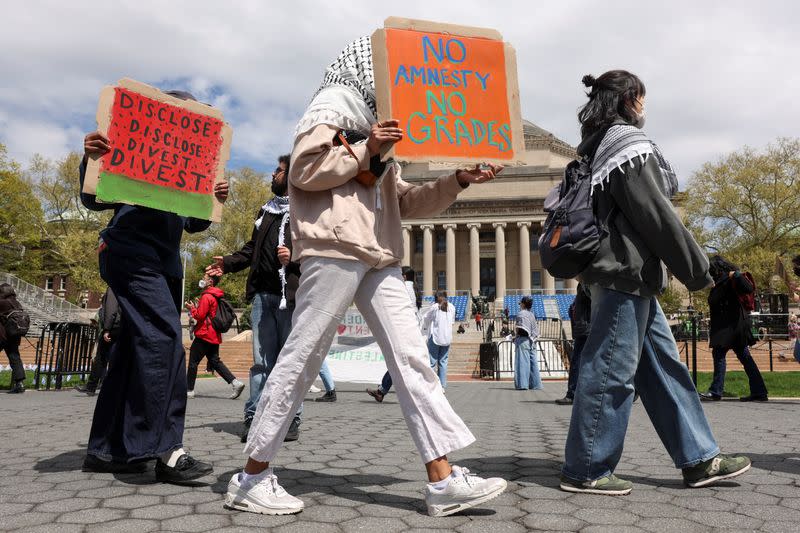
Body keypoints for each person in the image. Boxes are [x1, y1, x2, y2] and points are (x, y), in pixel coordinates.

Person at [224, 36, 506, 518]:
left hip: (380, 254)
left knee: (411, 358)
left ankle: (442, 480)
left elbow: (406, 202)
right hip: (335, 246)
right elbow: (306, 170)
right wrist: (365, 149)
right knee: (303, 356)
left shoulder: (380, 130)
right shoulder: (331, 106)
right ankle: (251, 476)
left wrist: (457, 180)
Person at [561, 71, 750, 495]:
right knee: (610, 371)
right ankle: (587, 467)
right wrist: (699, 269)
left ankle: (700, 458)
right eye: (641, 99)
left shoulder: (595, 146)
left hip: (628, 276)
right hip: (623, 274)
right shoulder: (627, 145)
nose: (644, 108)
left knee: (665, 369)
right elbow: (656, 216)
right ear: (629, 100)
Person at [78, 89, 227, 483]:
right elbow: (93, 197)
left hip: (160, 263)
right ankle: (164, 449)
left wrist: (212, 199)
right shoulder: (139, 150)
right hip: (130, 250)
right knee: (163, 341)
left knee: (132, 349)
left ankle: (107, 450)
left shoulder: (186, 166)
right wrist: (92, 157)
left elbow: (194, 223)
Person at [206, 154, 311, 443]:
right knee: (262, 362)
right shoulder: (265, 211)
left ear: (291, 177)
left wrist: (294, 259)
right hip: (264, 297)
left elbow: (319, 254)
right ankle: (254, 417)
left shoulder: (307, 212)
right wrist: (226, 263)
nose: (272, 175)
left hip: (292, 298)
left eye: (278, 171)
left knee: (290, 363)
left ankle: (291, 419)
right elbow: (252, 249)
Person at [700, 256, 768, 402]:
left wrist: (736, 275)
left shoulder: (731, 278)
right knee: (744, 357)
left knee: (719, 354)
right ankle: (759, 391)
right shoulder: (718, 282)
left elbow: (748, 288)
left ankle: (716, 391)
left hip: (732, 326)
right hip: (728, 326)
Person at [185, 273, 245, 399]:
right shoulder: (215, 295)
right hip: (213, 334)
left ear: (210, 281)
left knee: (193, 362)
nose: (202, 280)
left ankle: (189, 390)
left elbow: (200, 316)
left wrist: (191, 309)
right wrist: (198, 306)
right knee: (215, 361)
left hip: (204, 334)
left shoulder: (207, 296)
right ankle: (235, 383)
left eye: (205, 278)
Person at [366, 266, 420, 403]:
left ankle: (385, 391)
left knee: (399, 363)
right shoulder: (413, 289)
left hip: (403, 328)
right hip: (410, 328)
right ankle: (382, 390)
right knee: (399, 363)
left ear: (404, 277)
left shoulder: (404, 288)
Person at [76, 287, 120, 396]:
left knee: (100, 358)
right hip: (120, 328)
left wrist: (107, 329)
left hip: (113, 329)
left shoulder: (113, 289)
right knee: (107, 358)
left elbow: (111, 310)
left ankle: (91, 387)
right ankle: (94, 386)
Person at [556, 284, 591, 405]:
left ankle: (573, 393)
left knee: (577, 363)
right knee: (580, 363)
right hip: (582, 329)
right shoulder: (583, 286)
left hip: (585, 329)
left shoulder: (588, 284)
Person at [422, 291, 456, 390]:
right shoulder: (452, 307)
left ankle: (431, 385)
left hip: (436, 337)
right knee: (443, 362)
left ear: (436, 298)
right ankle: (442, 386)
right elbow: (453, 322)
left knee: (432, 362)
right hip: (447, 338)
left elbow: (427, 319)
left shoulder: (435, 307)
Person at [0, 283, 26, 394]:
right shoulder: (17, 303)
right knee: (15, 357)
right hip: (14, 335)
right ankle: (19, 384)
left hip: (2, 335)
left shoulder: (2, 303)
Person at [513, 296, 541, 390]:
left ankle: (522, 384)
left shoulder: (521, 314)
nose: (520, 305)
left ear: (523, 304)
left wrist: (515, 336)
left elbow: (520, 328)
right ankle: (536, 384)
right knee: (533, 363)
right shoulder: (531, 314)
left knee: (522, 362)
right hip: (532, 340)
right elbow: (533, 329)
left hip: (523, 340)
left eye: (520, 303)